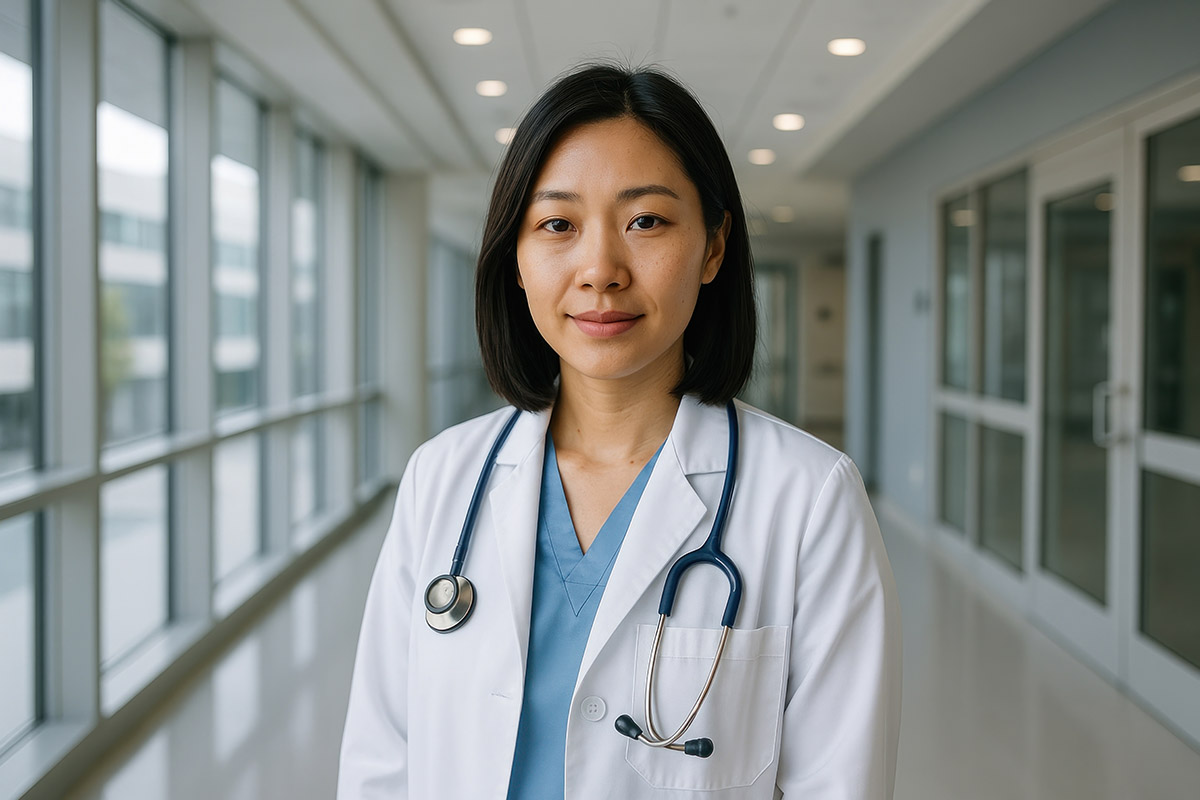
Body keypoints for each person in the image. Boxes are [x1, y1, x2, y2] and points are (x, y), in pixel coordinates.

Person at [337, 63, 901, 799]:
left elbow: (840, 782)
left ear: (714, 248)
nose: (600, 269)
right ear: (516, 255)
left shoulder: (809, 499)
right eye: (558, 224)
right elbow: (382, 757)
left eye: (646, 221)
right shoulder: (442, 477)